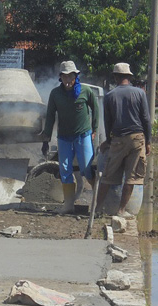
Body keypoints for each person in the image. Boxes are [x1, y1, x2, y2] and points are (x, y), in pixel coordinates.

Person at [41, 60, 99, 214]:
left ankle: (97, 202)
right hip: (64, 137)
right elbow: (50, 115)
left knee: (86, 168)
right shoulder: (55, 94)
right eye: (65, 76)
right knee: (65, 169)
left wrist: (94, 129)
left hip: (83, 135)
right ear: (60, 77)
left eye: (71, 76)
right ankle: (68, 205)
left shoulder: (85, 91)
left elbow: (96, 109)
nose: (68, 80)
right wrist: (46, 137)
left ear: (76, 76)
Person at [95, 62, 151, 219]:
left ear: (115, 77)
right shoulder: (139, 93)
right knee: (132, 177)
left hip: (118, 140)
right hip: (136, 139)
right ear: (129, 77)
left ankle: (97, 209)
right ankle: (121, 211)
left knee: (108, 176)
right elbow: (146, 119)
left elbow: (108, 121)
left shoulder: (109, 96)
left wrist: (108, 140)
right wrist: (148, 141)